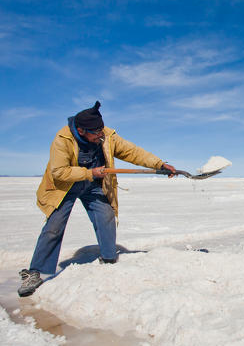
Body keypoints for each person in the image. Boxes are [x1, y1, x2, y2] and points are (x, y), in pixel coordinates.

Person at [18, 101, 176, 297]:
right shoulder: (62, 139)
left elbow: (131, 151)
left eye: (102, 130)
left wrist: (159, 164)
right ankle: (35, 272)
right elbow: (59, 172)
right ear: (81, 130)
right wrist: (89, 172)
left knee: (106, 215)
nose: (101, 135)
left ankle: (109, 259)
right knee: (54, 227)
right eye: (96, 133)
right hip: (65, 186)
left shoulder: (106, 135)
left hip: (93, 184)